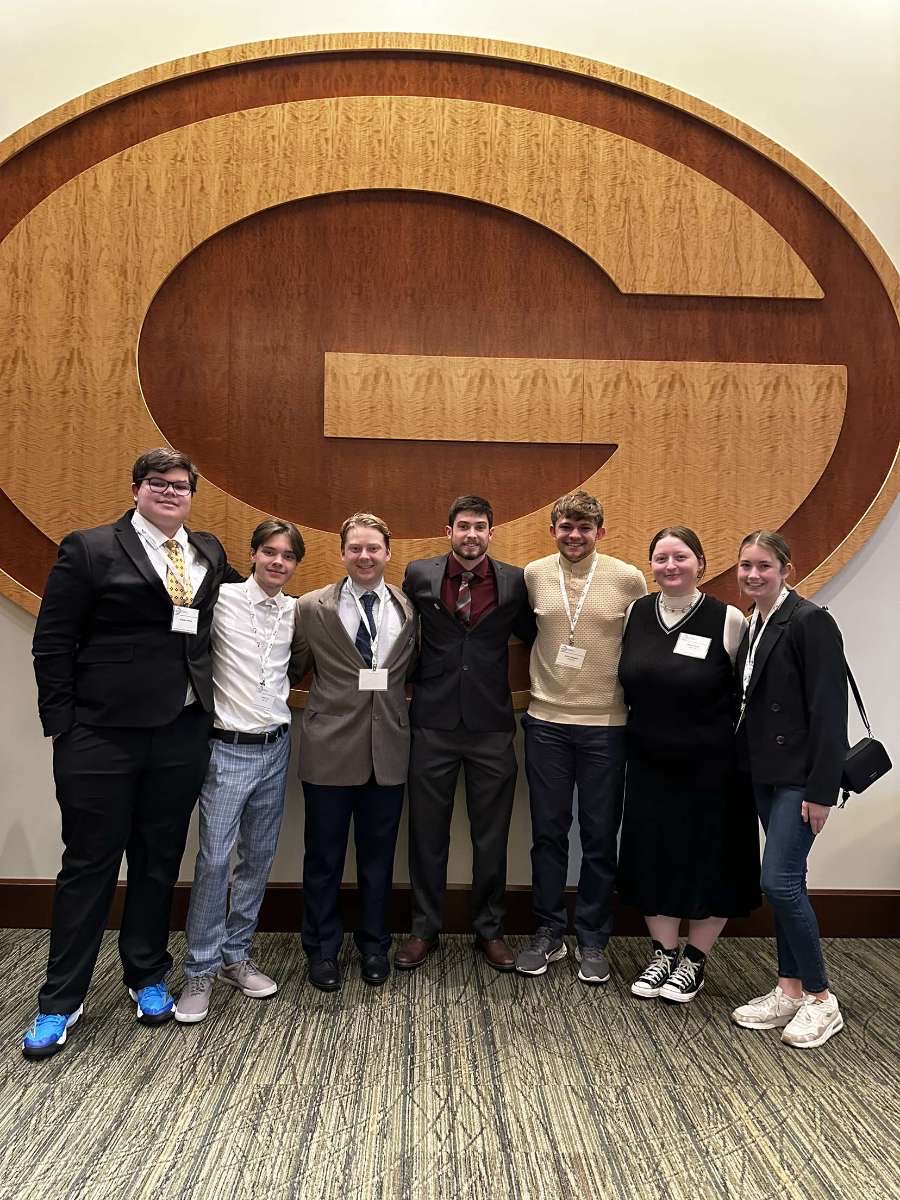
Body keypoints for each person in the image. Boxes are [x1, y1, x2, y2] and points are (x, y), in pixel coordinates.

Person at [24, 448, 241, 1059]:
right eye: (158, 483)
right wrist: (63, 727)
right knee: (89, 866)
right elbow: (53, 641)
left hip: (180, 731)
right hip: (101, 735)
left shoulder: (207, 551)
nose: (170, 492)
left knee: (157, 860)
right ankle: (60, 1000)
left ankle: (146, 974)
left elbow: (224, 621)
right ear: (137, 488)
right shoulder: (90, 548)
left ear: (193, 494)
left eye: (180, 485)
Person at [617, 527, 759, 1003]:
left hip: (712, 768)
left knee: (709, 859)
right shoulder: (635, 613)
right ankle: (663, 953)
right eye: (660, 558)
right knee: (654, 855)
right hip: (648, 762)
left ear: (700, 562)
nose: (670, 566)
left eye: (680, 557)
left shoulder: (729, 619)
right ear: (650, 566)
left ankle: (695, 961)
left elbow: (748, 694)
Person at [396, 496, 536, 972]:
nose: (471, 534)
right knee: (426, 835)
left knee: (491, 837)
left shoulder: (516, 581)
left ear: (491, 533)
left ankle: (489, 931)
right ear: (448, 530)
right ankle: (423, 929)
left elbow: (535, 636)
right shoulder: (419, 575)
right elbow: (402, 633)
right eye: (463, 526)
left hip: (492, 726)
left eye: (480, 527)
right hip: (431, 722)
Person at [174, 519, 306, 1024]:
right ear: (252, 556)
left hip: (276, 746)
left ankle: (236, 955)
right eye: (270, 553)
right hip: (226, 750)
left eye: (288, 556)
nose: (278, 563)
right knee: (212, 860)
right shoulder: (221, 599)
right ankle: (199, 970)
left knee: (258, 857)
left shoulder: (298, 611)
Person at [516, 491, 647, 983]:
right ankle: (548, 932)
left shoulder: (627, 578)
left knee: (597, 838)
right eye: (566, 527)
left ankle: (593, 939)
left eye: (585, 528)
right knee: (547, 833)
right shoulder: (533, 575)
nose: (575, 536)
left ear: (600, 532)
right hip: (546, 723)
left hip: (607, 727)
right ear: (553, 530)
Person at [730, 530, 848, 1048]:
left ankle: (822, 999)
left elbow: (829, 711)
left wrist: (823, 790)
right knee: (787, 882)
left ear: (786, 569)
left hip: (800, 778)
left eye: (764, 566)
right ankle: (789, 988)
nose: (753, 575)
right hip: (764, 771)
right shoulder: (754, 623)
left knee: (778, 883)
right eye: (745, 566)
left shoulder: (810, 621)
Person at [292, 513, 417, 991]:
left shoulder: (408, 608)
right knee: (322, 857)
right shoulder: (311, 607)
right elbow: (294, 668)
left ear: (388, 553)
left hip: (388, 751)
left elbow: (413, 671)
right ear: (342, 553)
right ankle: (321, 951)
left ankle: (373, 946)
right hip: (327, 749)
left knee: (378, 858)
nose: (364, 556)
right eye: (355, 548)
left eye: (373, 548)